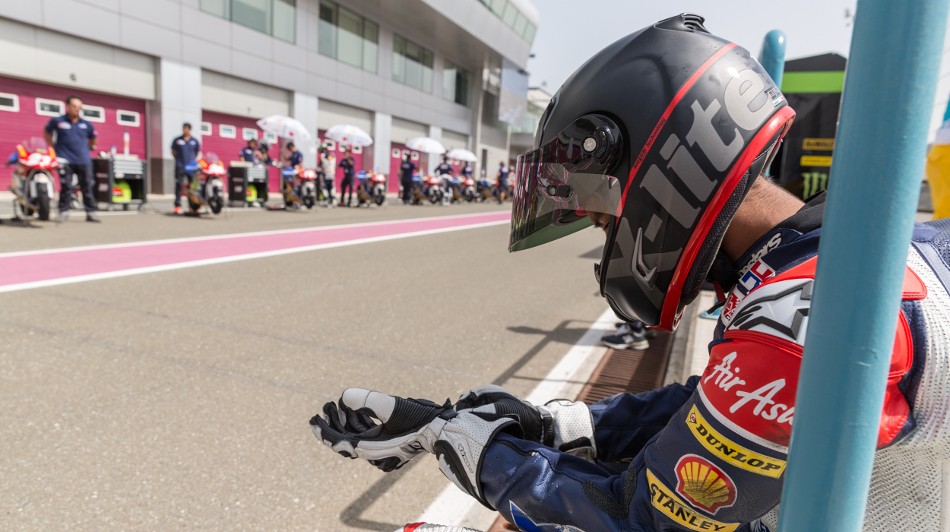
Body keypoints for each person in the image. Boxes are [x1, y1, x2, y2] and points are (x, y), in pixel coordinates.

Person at [310, 13, 950, 531]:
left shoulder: (797, 316)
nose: (598, 227)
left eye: (598, 206)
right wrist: (559, 425)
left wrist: (475, 451)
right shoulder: (842, 259)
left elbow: (637, 518)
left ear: (669, 165)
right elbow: (712, 409)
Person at [44, 95, 99, 222]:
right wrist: (52, 146)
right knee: (66, 186)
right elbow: (47, 132)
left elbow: (93, 138)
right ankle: (63, 211)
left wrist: (89, 148)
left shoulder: (86, 124)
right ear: (68, 106)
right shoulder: (58, 121)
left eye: (79, 107)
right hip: (64, 159)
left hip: (83, 160)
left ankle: (91, 212)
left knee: (87, 186)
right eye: (74, 106)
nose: (77, 109)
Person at [170, 122, 200, 215]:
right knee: (179, 185)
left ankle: (193, 207)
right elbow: (173, 152)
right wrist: (179, 160)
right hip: (180, 166)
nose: (185, 130)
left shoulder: (194, 141)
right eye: (184, 128)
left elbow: (196, 153)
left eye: (187, 129)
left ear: (190, 130)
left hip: (191, 167)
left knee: (192, 187)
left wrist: (192, 162)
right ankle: (178, 206)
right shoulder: (177, 140)